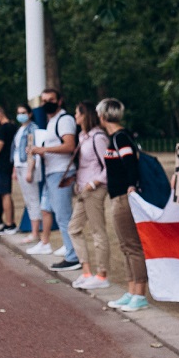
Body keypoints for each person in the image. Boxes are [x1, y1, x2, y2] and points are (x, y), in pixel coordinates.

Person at [97, 98, 151, 311]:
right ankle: (131, 290)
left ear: (103, 116)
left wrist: (131, 187)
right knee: (126, 245)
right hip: (118, 197)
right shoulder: (118, 137)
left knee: (132, 246)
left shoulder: (120, 137)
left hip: (124, 197)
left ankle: (140, 293)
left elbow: (130, 164)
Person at [29, 88, 80, 271]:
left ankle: (73, 256)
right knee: (57, 213)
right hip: (52, 172)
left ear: (59, 101)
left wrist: (43, 150)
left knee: (64, 216)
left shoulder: (64, 120)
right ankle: (70, 251)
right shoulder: (52, 121)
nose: (46, 103)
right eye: (43, 101)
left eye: (50, 100)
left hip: (61, 172)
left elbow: (69, 145)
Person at [68, 102, 112, 291]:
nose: (75, 118)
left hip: (95, 188)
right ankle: (86, 271)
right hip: (82, 189)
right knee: (74, 228)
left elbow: (109, 166)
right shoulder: (82, 137)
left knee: (97, 231)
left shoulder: (99, 137)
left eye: (77, 114)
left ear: (84, 115)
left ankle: (102, 274)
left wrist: (93, 183)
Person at [11, 104, 44, 247]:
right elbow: (17, 150)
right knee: (28, 200)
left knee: (33, 199)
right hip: (19, 165)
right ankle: (33, 230)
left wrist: (30, 170)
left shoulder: (33, 129)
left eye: (23, 112)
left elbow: (33, 151)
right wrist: (14, 169)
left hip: (27, 166)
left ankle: (35, 232)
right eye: (19, 112)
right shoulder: (20, 130)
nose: (21, 115)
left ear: (30, 114)